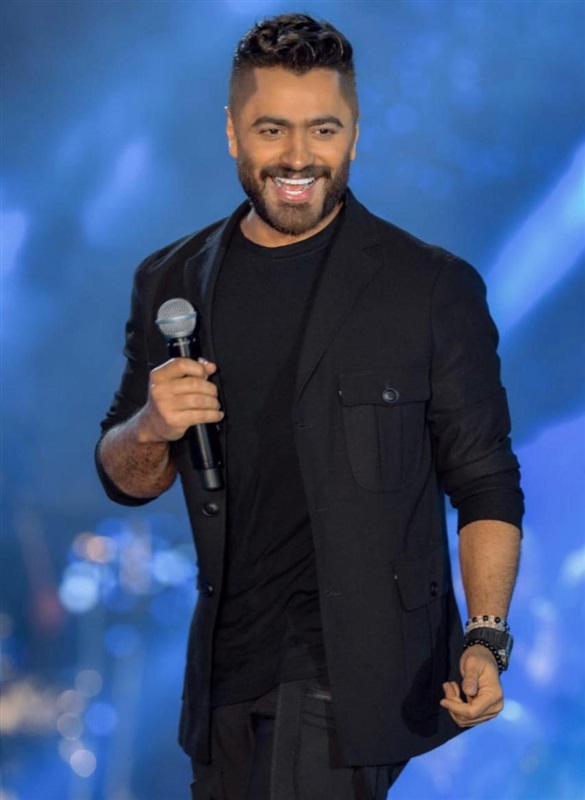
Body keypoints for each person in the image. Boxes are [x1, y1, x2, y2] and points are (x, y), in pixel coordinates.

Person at [96, 13, 523, 800]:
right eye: (272, 129)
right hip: (221, 675)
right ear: (233, 132)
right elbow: (126, 478)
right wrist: (151, 426)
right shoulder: (171, 281)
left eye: (322, 129)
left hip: (349, 674)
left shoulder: (427, 287)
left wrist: (484, 636)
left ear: (354, 135)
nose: (297, 157)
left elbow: (484, 479)